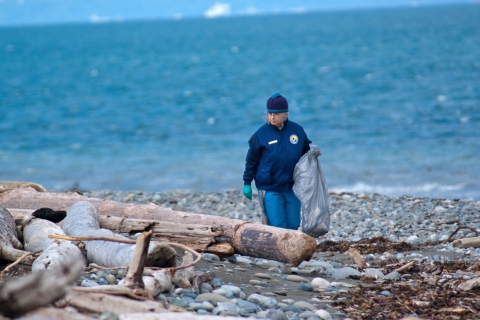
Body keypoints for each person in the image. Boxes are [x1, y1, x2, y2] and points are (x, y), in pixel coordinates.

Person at [242, 93, 311, 230]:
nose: (272, 116)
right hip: (270, 187)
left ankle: (291, 250)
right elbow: (251, 160)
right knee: (278, 226)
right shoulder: (260, 135)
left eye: (276, 114)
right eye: (270, 113)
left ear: (285, 114)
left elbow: (307, 154)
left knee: (293, 224)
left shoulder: (297, 131)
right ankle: (278, 251)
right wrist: (247, 183)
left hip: (293, 187)